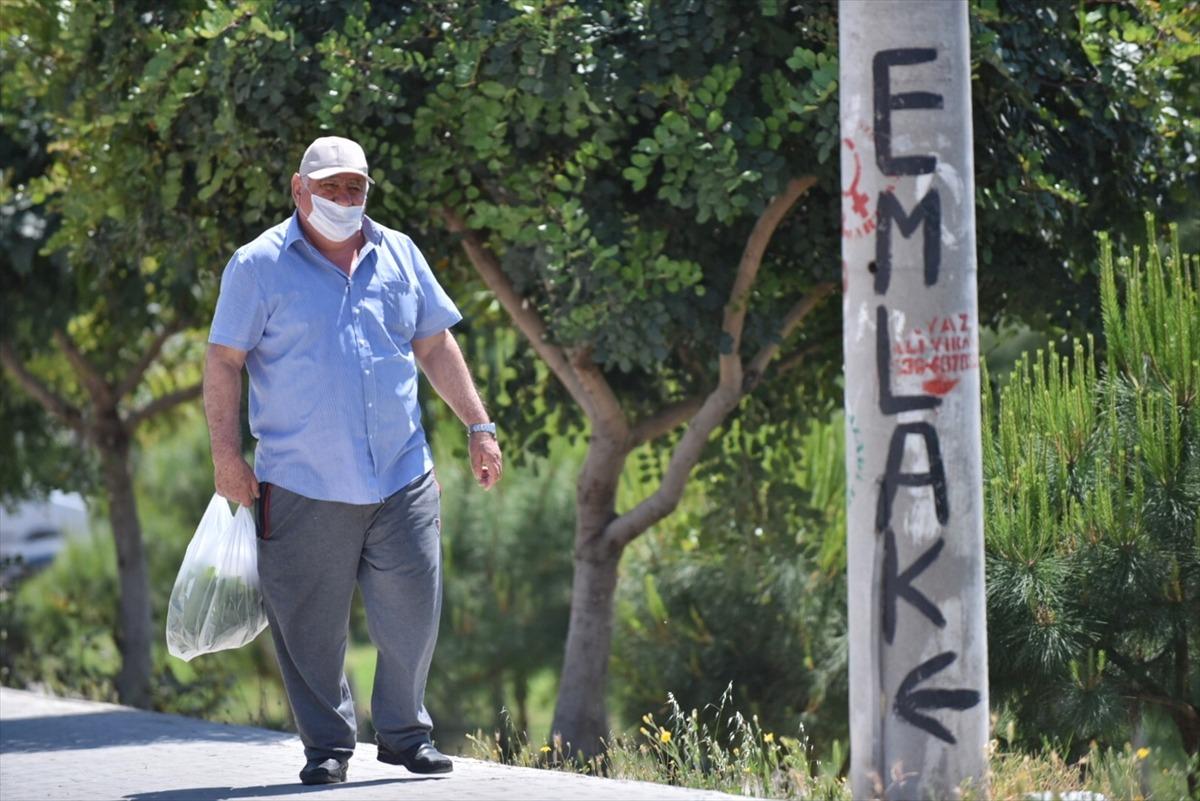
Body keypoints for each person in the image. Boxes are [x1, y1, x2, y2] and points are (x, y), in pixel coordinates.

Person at [203, 135, 502, 786]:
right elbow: (224, 362)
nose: (344, 199)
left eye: (355, 188)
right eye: (331, 186)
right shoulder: (256, 266)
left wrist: (479, 424)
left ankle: (403, 732)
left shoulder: (399, 253)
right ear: (299, 187)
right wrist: (226, 455)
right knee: (310, 626)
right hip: (301, 481)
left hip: (401, 473)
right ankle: (329, 746)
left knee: (413, 611)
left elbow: (435, 342)